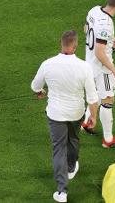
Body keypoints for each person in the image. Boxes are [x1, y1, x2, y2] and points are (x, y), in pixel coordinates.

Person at [31, 30, 99, 203]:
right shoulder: (84, 66)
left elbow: (35, 86)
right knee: (74, 139)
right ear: (75, 46)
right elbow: (92, 97)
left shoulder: (48, 64)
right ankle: (71, 167)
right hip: (76, 112)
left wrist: (40, 92)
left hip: (55, 114)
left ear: (61, 44)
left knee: (59, 148)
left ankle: (62, 191)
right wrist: (93, 117)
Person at [81, 0, 115, 149]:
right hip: (102, 68)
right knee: (108, 100)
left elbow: (86, 29)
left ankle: (87, 123)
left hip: (89, 64)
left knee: (94, 95)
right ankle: (108, 140)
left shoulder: (94, 10)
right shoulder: (107, 24)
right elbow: (100, 53)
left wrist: (109, 38)